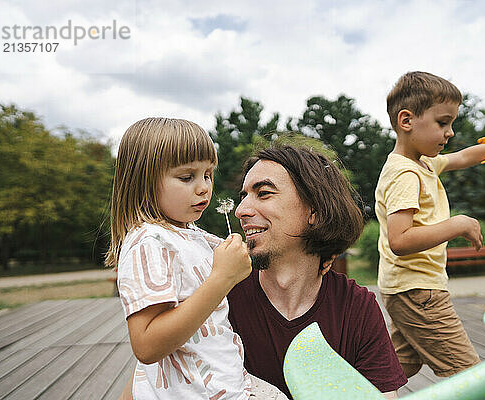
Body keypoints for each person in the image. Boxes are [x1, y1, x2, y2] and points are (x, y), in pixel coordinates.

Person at [375, 71, 485, 379]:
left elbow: (466, 156)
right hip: (418, 290)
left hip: (409, 289)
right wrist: (458, 224)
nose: (450, 132)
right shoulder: (404, 174)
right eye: (443, 122)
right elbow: (399, 240)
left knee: (395, 369)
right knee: (470, 378)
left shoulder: (423, 164)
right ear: (406, 120)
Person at [107, 117, 283, 399]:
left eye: (207, 174)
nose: (203, 187)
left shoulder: (191, 236)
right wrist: (222, 279)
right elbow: (147, 345)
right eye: (187, 177)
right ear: (143, 180)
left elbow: (252, 253)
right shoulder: (148, 242)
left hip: (226, 384)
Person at [229, 145, 407, 399]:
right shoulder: (220, 299)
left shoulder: (356, 308)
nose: (242, 210)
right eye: (243, 196)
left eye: (264, 193)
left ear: (314, 211)